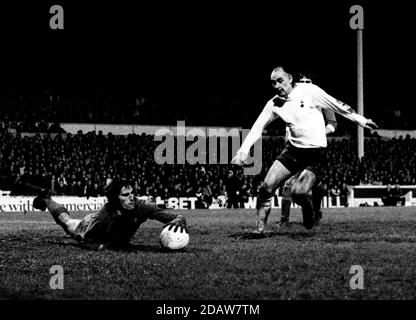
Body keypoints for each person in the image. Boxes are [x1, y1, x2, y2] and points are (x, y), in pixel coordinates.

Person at [231, 65, 378, 234]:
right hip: (293, 151)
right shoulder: (274, 104)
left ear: (290, 79)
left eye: (280, 80)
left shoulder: (309, 91)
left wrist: (362, 120)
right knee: (265, 187)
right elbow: (257, 128)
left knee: (298, 194)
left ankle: (309, 209)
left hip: (316, 154)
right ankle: (259, 230)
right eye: (273, 83)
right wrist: (242, 152)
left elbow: (337, 104)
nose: (277, 85)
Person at [31, 179, 187, 250]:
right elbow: (87, 240)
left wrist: (180, 220)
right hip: (89, 226)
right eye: (125, 195)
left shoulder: (141, 206)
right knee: (68, 223)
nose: (131, 197)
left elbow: (172, 216)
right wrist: (103, 246)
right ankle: (46, 199)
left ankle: (46, 199)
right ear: (115, 199)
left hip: (110, 231)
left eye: (132, 193)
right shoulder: (104, 215)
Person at [278, 94, 338, 227]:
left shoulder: (323, 100)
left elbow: (333, 124)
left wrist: (320, 132)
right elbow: (289, 124)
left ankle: (316, 213)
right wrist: (288, 139)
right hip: (296, 150)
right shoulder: (295, 102)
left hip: (316, 151)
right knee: (288, 184)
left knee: (316, 186)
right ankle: (284, 220)